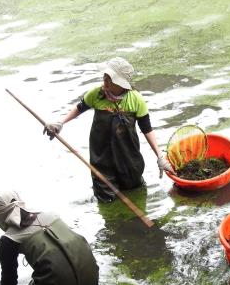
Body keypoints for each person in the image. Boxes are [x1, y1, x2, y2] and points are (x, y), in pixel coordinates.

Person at [43, 57, 174, 202]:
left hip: (129, 159)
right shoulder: (96, 94)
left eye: (110, 79)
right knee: (106, 200)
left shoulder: (136, 99)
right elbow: (80, 108)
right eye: (105, 76)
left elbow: (147, 129)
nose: (105, 80)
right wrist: (60, 123)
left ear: (121, 84)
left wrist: (160, 157)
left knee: (136, 193)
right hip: (101, 159)